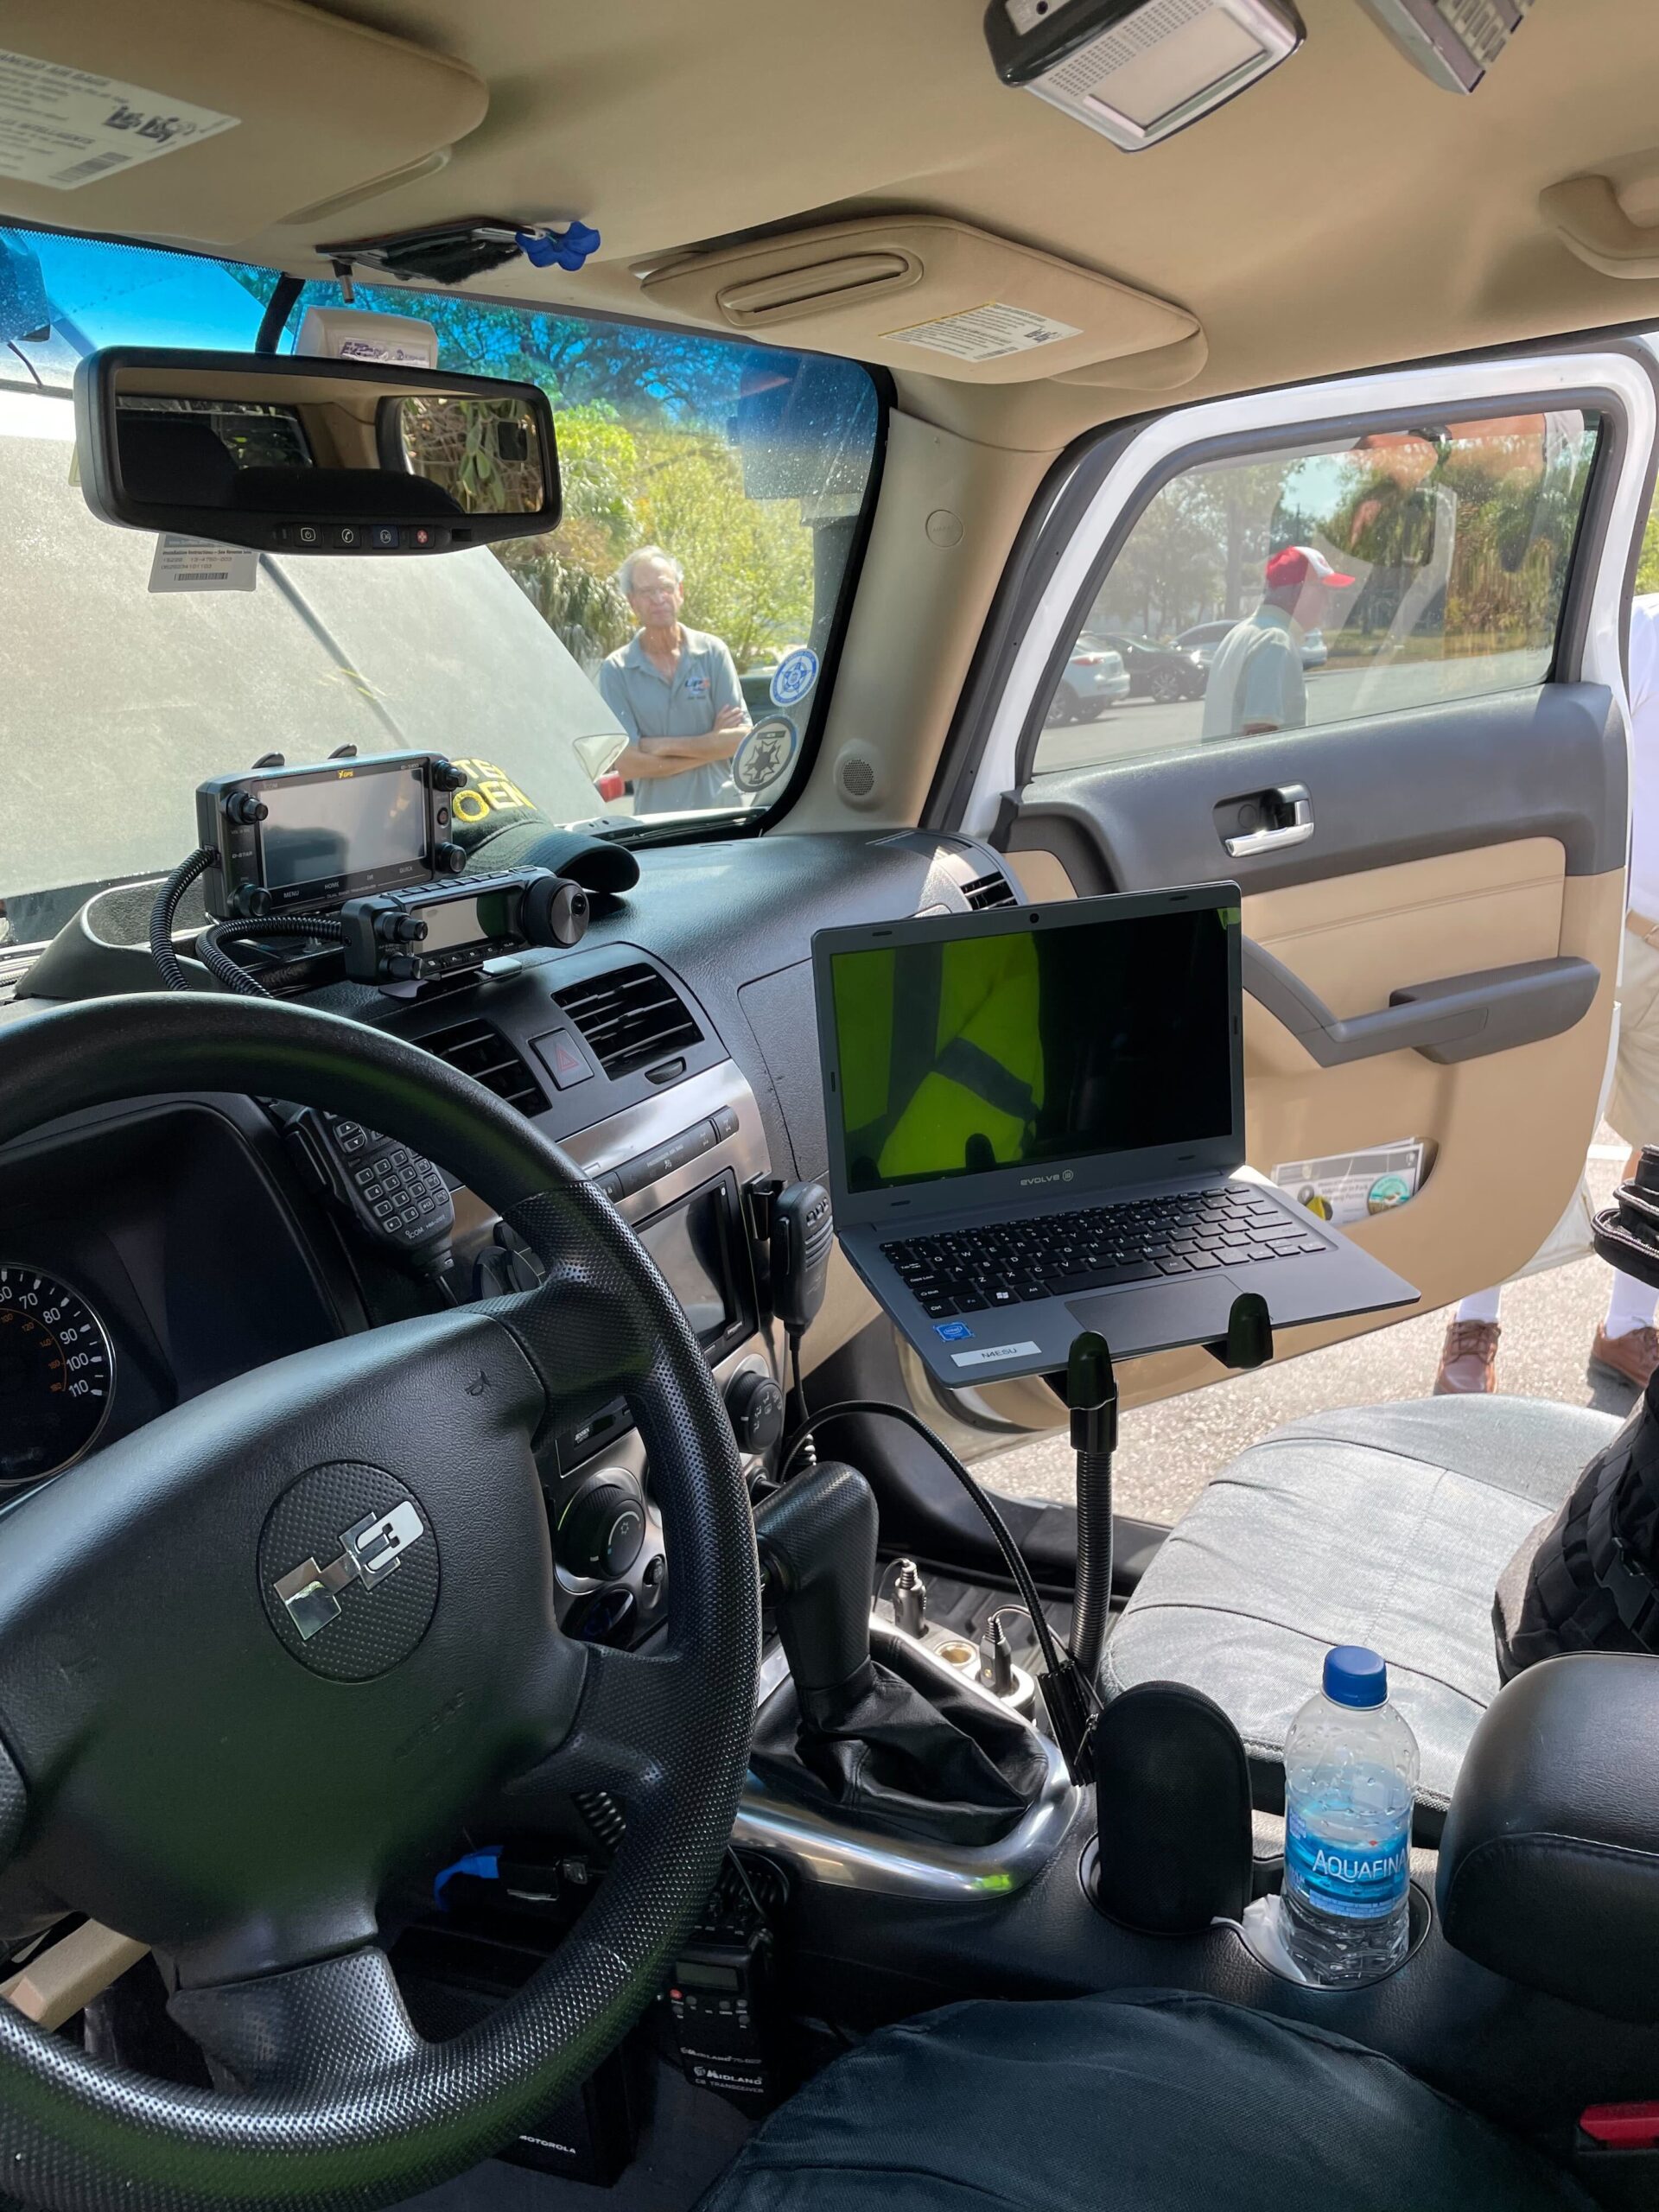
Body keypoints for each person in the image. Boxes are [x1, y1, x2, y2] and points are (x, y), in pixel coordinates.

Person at [1436, 593, 1659, 1395]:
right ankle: (1473, 1322)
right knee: (1523, 1127)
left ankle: (1629, 1328)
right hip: (1600, 924)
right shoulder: (1640, 628)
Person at [597, 546, 749, 817]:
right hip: (659, 825)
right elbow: (628, 765)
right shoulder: (616, 669)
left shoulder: (713, 652)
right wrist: (712, 744)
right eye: (647, 591)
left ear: (680, 592)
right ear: (632, 601)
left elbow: (741, 739)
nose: (658, 598)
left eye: (666, 588)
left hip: (724, 818)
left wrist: (661, 745)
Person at [1200, 544, 1355, 741]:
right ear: (1299, 590)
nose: (1329, 602)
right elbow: (1261, 738)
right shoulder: (1275, 641)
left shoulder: (1241, 633)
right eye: (1323, 590)